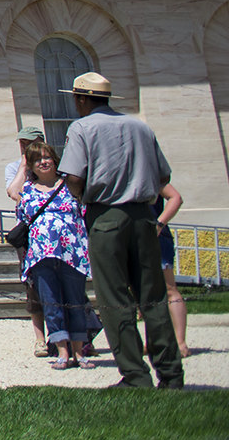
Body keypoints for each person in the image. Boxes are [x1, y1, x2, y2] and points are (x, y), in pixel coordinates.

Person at [58, 70, 181, 389]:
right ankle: (170, 373)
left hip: (106, 216)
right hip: (143, 214)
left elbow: (73, 176)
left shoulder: (82, 127)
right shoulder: (140, 125)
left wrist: (85, 196)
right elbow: (163, 176)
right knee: (152, 297)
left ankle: (135, 375)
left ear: (82, 98)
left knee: (114, 298)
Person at [16, 140, 100, 368]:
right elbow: (14, 195)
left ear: (55, 160)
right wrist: (23, 165)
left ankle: (79, 351)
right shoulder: (27, 189)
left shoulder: (70, 186)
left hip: (72, 252)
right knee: (51, 302)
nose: (43, 162)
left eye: (47, 157)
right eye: (37, 160)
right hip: (41, 254)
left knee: (75, 300)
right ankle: (62, 352)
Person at [3, 125, 50, 354]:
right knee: (33, 287)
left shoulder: (52, 167)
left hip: (53, 234)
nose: (26, 147)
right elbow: (14, 193)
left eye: (30, 142)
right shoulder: (15, 168)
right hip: (30, 236)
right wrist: (24, 165)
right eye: (22, 143)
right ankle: (40, 338)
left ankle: (66, 336)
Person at [152, 181, 189, 357]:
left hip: (156, 236)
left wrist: (159, 224)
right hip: (133, 237)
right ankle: (155, 341)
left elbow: (176, 198)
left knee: (169, 289)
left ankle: (180, 342)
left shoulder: (152, 172)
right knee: (145, 293)